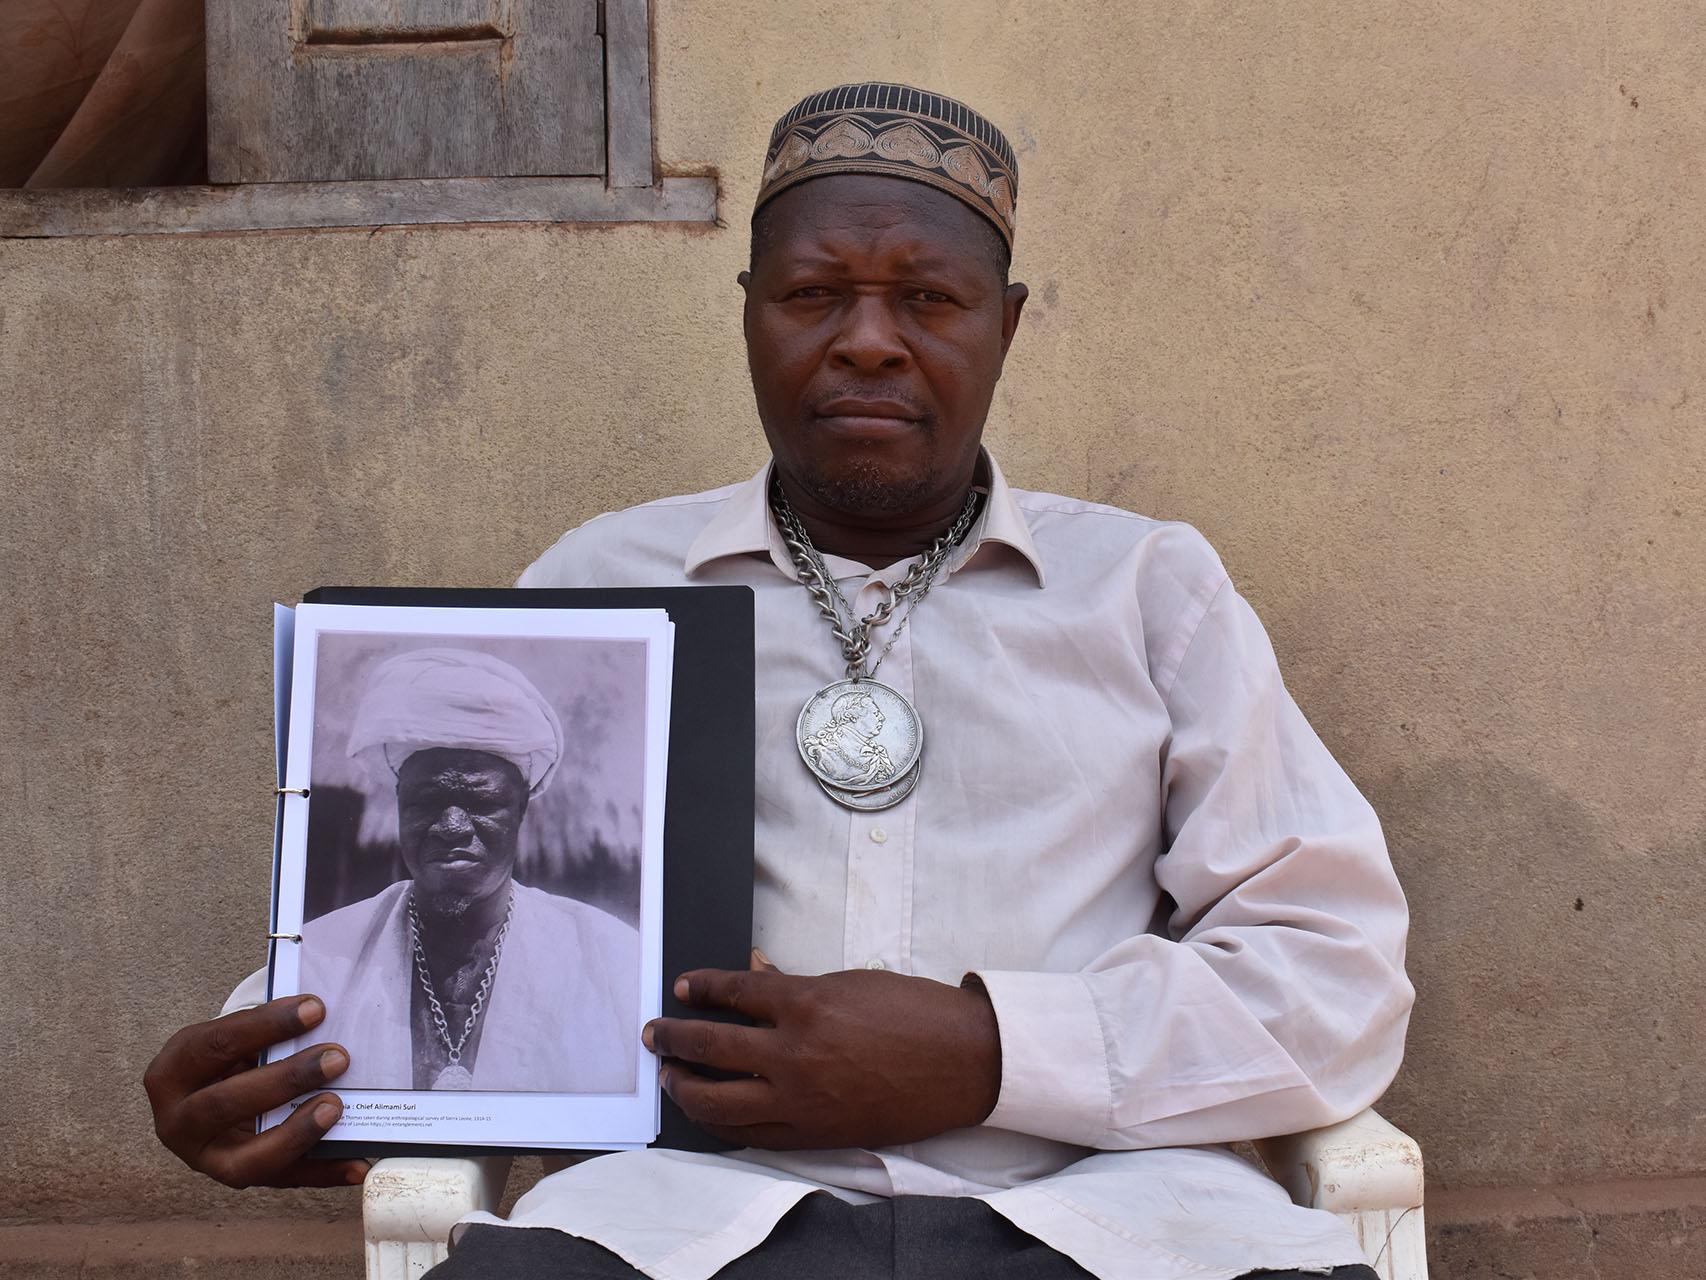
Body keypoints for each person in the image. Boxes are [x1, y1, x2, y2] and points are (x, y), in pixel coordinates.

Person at [144, 82, 1410, 1279]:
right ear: (750, 309)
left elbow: (1334, 972)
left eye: (928, 298)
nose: (869, 342)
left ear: (1004, 323)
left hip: (1112, 1219)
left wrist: (985, 1053)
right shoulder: (604, 581)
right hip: (674, 1224)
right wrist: (280, 1070)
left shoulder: (1144, 589)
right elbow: (453, 926)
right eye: (813, 294)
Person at [295, 646, 637, 1093]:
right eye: (426, 802)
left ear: (521, 812)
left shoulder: (613, 962)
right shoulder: (318, 960)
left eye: (481, 803)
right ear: (399, 807)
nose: (452, 827)